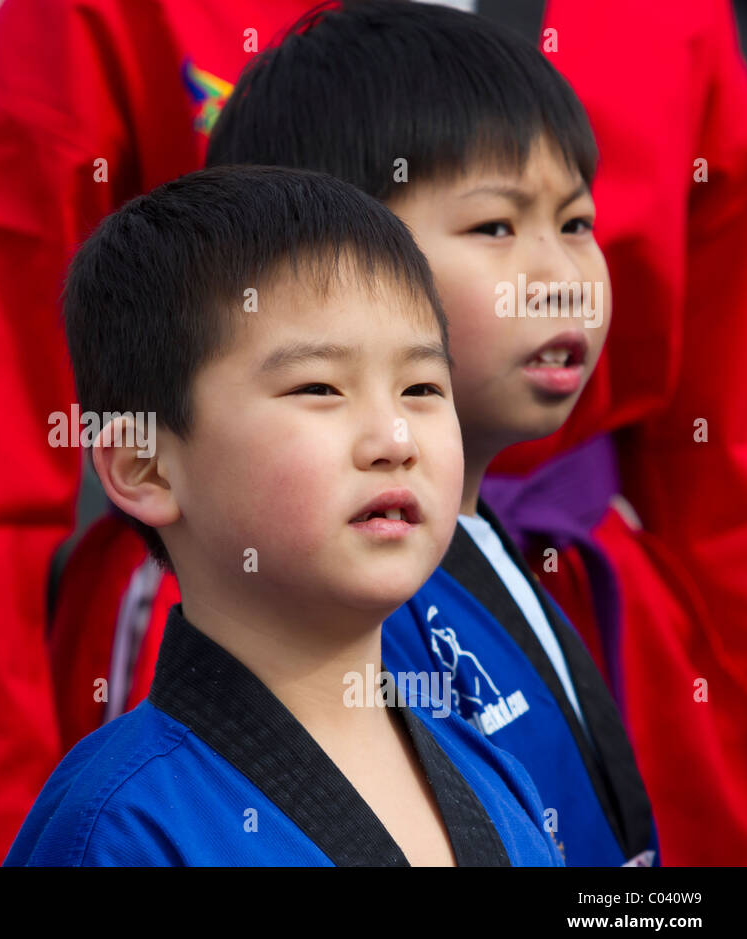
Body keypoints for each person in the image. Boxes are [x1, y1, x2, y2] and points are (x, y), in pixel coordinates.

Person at [203, 0, 656, 866]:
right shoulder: (352, 603)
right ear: (333, 267)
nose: (561, 279)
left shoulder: (475, 545)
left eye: (577, 224)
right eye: (495, 226)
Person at [6, 165, 561, 866]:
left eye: (421, 387)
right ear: (145, 465)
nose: (394, 441)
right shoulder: (119, 827)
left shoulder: (490, 771)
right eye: (320, 388)